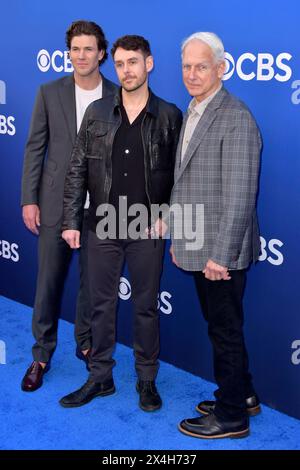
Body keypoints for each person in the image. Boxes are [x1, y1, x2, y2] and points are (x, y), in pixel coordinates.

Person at [59, 35, 182, 411]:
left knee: (145, 306)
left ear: (149, 64)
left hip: (146, 226)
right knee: (100, 305)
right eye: (120, 64)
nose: (126, 70)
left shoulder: (169, 116)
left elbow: (183, 175)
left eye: (133, 62)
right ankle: (100, 378)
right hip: (101, 224)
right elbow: (77, 168)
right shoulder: (96, 112)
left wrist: (168, 216)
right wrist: (70, 220)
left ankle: (146, 380)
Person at [170, 32, 262, 439]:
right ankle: (242, 396)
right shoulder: (194, 109)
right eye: (187, 66)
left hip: (220, 252)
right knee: (222, 326)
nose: (192, 74)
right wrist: (178, 236)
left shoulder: (235, 116)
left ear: (221, 68)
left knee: (224, 330)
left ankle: (231, 417)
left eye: (201, 66)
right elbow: (187, 183)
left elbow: (241, 194)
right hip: (198, 242)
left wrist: (220, 257)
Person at [21, 20, 117, 392]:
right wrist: (29, 198)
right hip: (55, 202)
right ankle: (41, 353)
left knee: (93, 284)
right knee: (47, 282)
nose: (81, 56)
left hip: (100, 206)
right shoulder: (49, 92)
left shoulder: (116, 93)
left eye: (88, 49)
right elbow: (35, 148)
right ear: (69, 53)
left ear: (101, 54)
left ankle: (86, 343)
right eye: (75, 49)